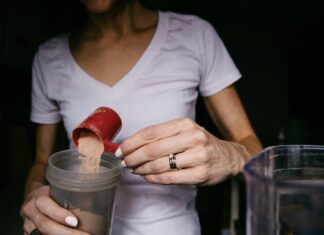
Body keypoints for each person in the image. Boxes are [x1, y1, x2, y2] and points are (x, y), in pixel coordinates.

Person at [20, 0, 263, 234]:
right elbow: (42, 160)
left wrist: (232, 157)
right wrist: (33, 193)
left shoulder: (194, 35)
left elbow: (251, 145)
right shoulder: (49, 59)